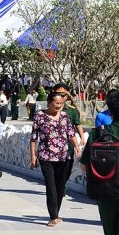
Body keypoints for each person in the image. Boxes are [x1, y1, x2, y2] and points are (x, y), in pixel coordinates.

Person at [30, 90, 81, 227]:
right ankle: (52, 216)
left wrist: (77, 147)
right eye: (56, 103)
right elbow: (34, 138)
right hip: (46, 156)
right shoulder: (40, 116)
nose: (59, 106)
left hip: (64, 156)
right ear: (49, 103)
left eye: (61, 103)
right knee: (51, 186)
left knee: (60, 186)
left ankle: (56, 213)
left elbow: (71, 133)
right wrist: (33, 156)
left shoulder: (64, 116)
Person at [80, 89, 119, 235]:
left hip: (105, 190)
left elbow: (84, 167)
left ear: (110, 111)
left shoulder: (98, 133)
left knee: (111, 234)